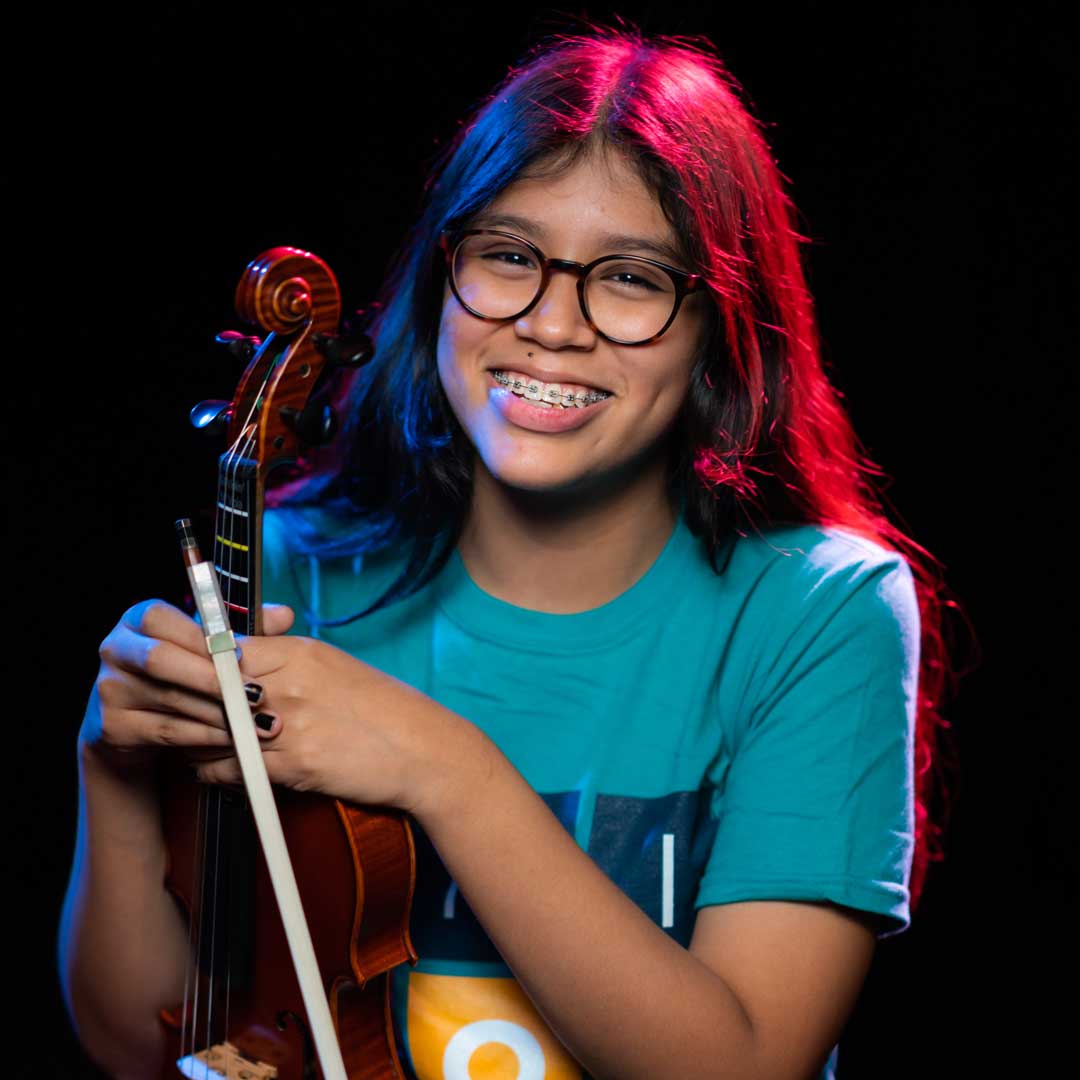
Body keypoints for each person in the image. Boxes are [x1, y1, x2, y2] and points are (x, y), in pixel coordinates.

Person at [59, 25, 957, 1080]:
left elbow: (745, 1064)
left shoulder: (818, 612)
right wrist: (112, 772)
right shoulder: (294, 568)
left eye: (629, 279)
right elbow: (148, 1046)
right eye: (509, 256)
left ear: (721, 327)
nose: (552, 325)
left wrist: (446, 770)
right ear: (446, 280)